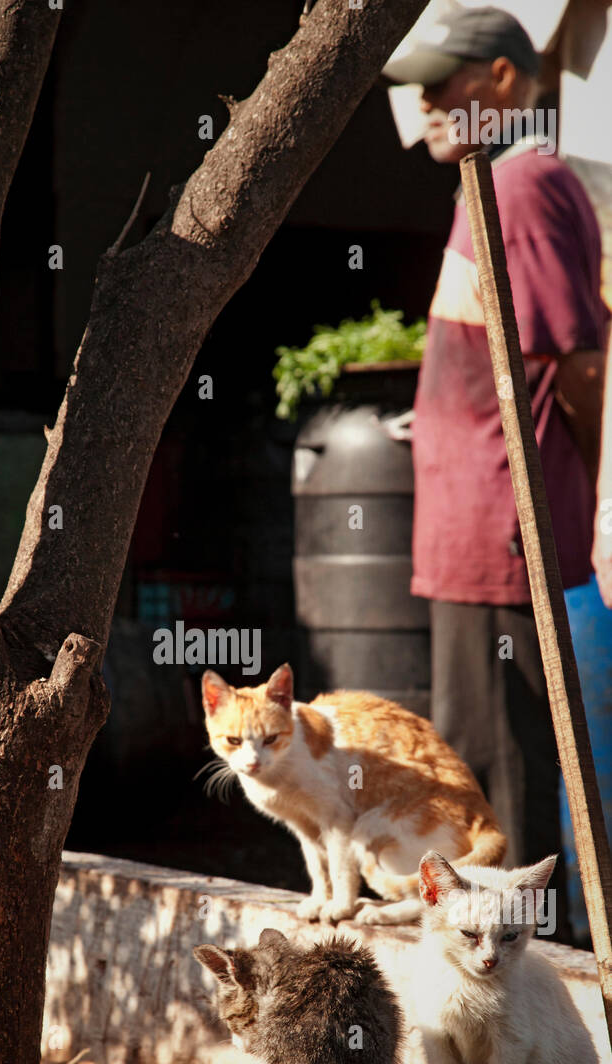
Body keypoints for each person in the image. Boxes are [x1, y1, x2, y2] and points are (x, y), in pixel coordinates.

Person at [383, 7, 609, 940]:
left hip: (508, 536)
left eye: (450, 81)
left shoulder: (527, 183)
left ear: (507, 81)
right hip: (478, 537)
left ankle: (531, 1004)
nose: (430, 102)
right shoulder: (490, 184)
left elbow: (582, 361)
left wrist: (572, 484)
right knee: (475, 771)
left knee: (499, 788)